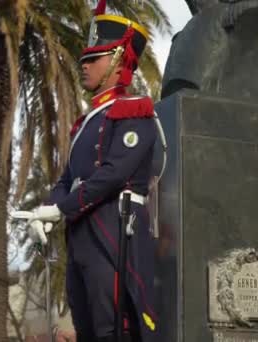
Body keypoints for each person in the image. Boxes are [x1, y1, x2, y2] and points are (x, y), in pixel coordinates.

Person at [27, 1, 160, 341]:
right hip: (82, 237)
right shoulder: (84, 124)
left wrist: (61, 208)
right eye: (84, 58)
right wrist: (45, 212)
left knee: (111, 328)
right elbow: (68, 180)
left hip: (114, 234)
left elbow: (114, 173)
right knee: (87, 327)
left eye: (93, 59)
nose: (83, 65)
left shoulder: (133, 111)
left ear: (118, 60)